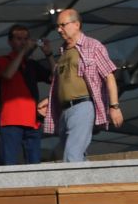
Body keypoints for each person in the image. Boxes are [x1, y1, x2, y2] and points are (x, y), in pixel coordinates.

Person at [41, 10, 122, 164]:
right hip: (64, 111)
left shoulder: (92, 46)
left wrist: (114, 106)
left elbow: (109, 76)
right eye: (57, 26)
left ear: (76, 25)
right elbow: (60, 77)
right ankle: (93, 183)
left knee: (72, 155)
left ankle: (71, 187)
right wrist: (49, 55)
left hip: (82, 106)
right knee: (77, 156)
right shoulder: (64, 50)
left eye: (62, 25)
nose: (59, 30)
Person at [0, 25, 49, 165]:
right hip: (11, 121)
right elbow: (8, 74)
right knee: (9, 164)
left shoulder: (31, 64)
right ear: (10, 42)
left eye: (25, 39)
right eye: (19, 39)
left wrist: (49, 54)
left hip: (32, 121)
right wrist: (23, 52)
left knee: (35, 164)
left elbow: (55, 78)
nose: (23, 42)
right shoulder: (3, 60)